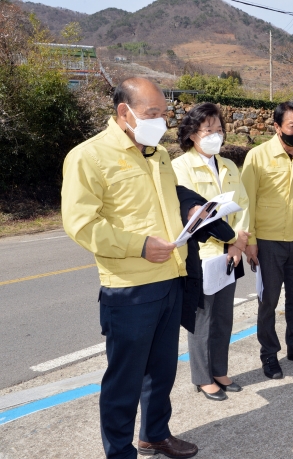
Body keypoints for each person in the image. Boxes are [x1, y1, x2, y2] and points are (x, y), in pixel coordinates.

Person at [61, 77, 198, 459]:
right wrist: (138, 245)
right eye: (152, 113)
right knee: (124, 380)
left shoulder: (158, 154)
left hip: (171, 277)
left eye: (164, 114)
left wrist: (192, 212)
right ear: (125, 112)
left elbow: (167, 202)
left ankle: (155, 433)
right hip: (129, 288)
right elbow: (81, 224)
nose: (162, 122)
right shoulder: (89, 156)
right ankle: (119, 452)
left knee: (162, 371)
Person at [173, 102, 250, 401]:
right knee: (202, 320)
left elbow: (243, 206)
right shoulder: (180, 168)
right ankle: (202, 377)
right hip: (202, 256)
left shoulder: (229, 166)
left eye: (219, 130)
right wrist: (229, 240)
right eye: (208, 130)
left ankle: (219, 369)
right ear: (192, 134)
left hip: (230, 254)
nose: (215, 136)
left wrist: (238, 242)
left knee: (223, 317)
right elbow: (195, 217)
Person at [241, 101, 293, 380]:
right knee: (268, 302)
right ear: (277, 127)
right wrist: (250, 240)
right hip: (267, 242)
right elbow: (246, 201)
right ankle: (268, 354)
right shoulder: (257, 156)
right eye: (292, 125)